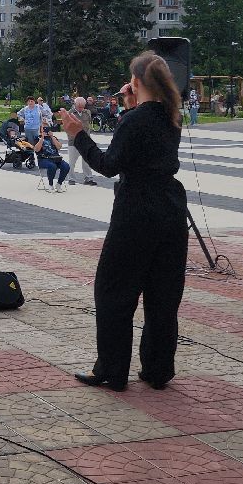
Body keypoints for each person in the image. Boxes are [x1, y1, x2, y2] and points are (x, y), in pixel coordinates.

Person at [59, 51, 188, 392]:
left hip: (137, 212)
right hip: (171, 210)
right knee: (163, 296)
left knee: (114, 291)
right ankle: (158, 369)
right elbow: (144, 144)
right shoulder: (171, 117)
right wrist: (133, 106)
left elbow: (109, 164)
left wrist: (78, 134)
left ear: (136, 82)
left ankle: (113, 370)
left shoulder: (134, 121)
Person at [68, 97, 97, 186]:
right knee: (72, 161)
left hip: (85, 140)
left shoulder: (87, 112)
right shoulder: (70, 113)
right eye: (79, 106)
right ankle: (71, 178)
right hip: (74, 141)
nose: (80, 108)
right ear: (75, 105)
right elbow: (68, 128)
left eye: (82, 106)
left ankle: (88, 178)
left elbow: (88, 124)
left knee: (86, 161)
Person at [34, 125, 71, 192]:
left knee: (66, 166)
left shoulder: (53, 138)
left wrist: (52, 137)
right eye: (44, 130)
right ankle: (50, 185)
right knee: (52, 166)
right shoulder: (37, 138)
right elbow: (36, 149)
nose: (46, 132)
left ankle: (59, 184)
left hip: (56, 158)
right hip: (44, 159)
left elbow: (59, 147)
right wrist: (42, 138)